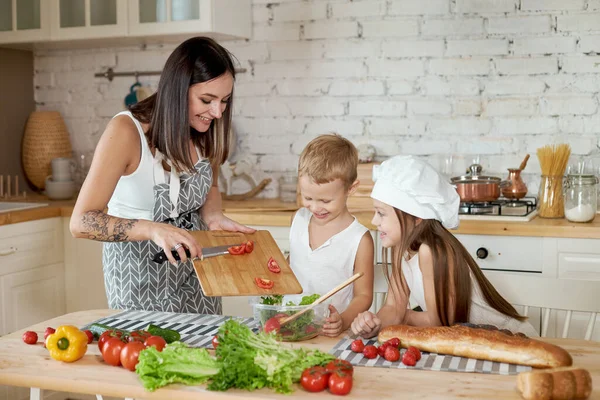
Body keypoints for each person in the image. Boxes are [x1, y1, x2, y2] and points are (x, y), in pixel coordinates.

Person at [70, 37, 254, 314]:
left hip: (196, 273)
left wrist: (213, 215)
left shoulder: (204, 127)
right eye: (207, 100)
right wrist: (152, 228)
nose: (217, 112)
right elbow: (81, 222)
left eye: (224, 101)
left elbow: (210, 182)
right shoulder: (126, 131)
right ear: (178, 90)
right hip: (139, 279)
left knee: (203, 354)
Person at [350, 155, 538, 338]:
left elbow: (438, 322)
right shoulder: (402, 248)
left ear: (416, 217)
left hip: (511, 338)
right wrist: (375, 323)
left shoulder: (430, 251)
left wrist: (405, 316)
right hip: (472, 341)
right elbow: (393, 307)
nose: (374, 220)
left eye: (381, 213)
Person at [287, 134, 375, 337]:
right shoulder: (298, 219)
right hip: (291, 326)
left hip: (330, 333)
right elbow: (295, 263)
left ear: (350, 189)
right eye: (307, 197)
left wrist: (343, 320)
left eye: (325, 200)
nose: (315, 207)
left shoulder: (359, 239)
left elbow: (363, 295)